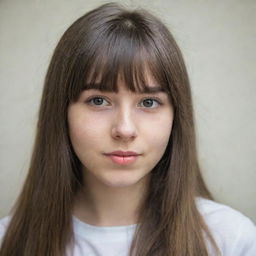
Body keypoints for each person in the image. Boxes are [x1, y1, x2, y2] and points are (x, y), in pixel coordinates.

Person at [0, 2, 255, 256]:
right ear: (61, 112)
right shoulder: (8, 243)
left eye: (148, 102)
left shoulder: (230, 240)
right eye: (98, 100)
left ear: (177, 116)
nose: (124, 129)